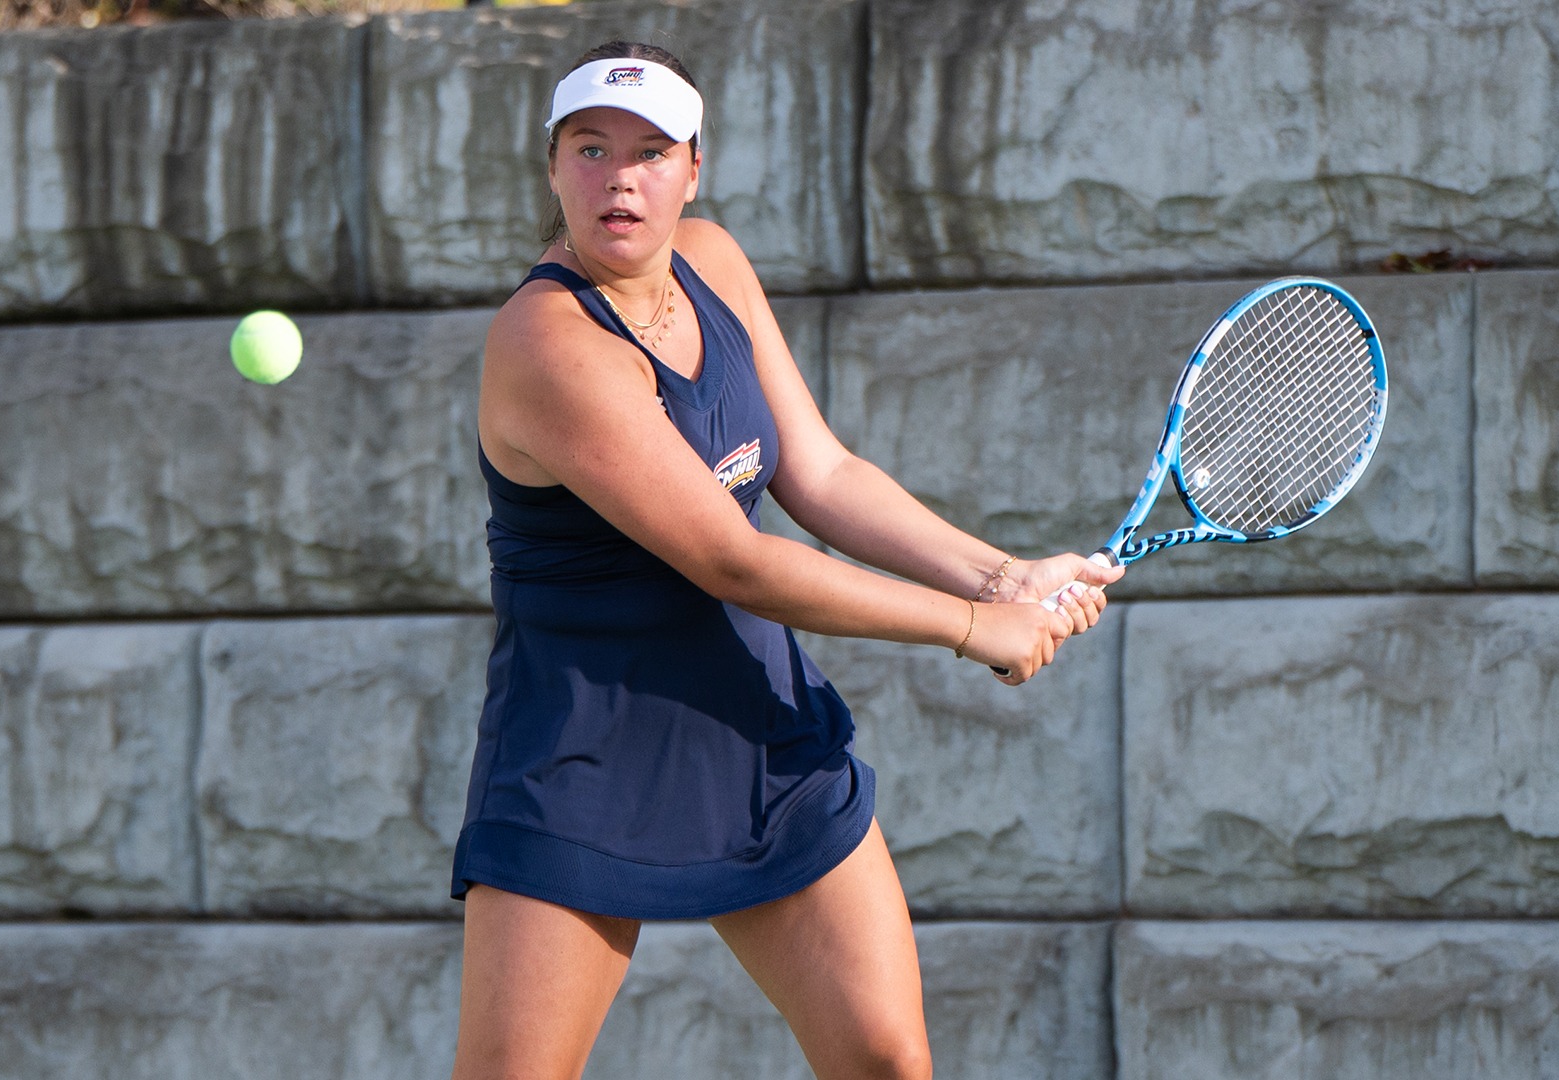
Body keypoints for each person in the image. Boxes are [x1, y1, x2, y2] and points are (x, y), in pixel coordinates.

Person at [450, 41, 1123, 1080]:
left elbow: (822, 473)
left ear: (693, 170)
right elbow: (736, 562)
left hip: (760, 729)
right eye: (590, 148)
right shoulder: (547, 344)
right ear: (552, 167)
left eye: (650, 152)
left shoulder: (713, 264)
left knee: (886, 1061)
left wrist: (1002, 578)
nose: (620, 177)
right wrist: (968, 627)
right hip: (583, 755)